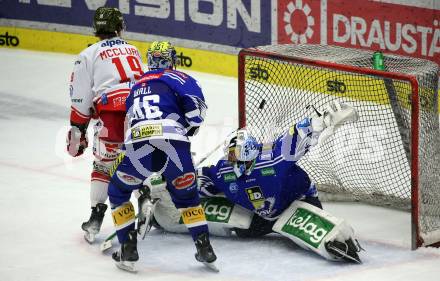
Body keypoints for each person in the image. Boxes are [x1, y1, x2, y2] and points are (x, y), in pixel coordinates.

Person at [149, 101, 364, 263]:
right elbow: (200, 179)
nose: (234, 163)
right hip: (259, 216)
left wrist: (322, 121)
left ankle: (337, 238)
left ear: (251, 154)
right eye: (232, 157)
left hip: (297, 201)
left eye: (239, 157)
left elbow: (296, 136)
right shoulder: (225, 171)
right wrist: (167, 182)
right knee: (240, 229)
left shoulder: (272, 158)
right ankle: (163, 217)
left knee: (310, 237)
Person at [107, 41, 217, 272]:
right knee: (187, 198)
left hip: (139, 147)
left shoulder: (136, 85)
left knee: (118, 191)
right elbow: (196, 112)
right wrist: (188, 129)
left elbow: (129, 117)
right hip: (173, 145)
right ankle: (204, 247)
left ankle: (128, 248)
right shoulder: (179, 77)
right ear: (171, 59)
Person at [66, 6, 143, 243]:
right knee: (141, 159)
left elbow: (81, 100)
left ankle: (96, 216)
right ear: (119, 26)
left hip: (111, 117)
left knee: (103, 167)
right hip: (141, 112)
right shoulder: (133, 49)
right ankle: (147, 197)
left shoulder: (88, 55)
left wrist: (78, 130)